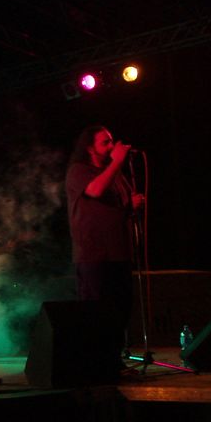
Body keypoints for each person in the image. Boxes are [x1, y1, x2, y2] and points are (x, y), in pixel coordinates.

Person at [64, 126, 145, 368]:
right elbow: (95, 190)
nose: (112, 145)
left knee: (121, 309)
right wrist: (117, 161)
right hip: (93, 254)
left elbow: (118, 206)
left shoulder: (115, 174)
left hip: (120, 252)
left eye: (111, 141)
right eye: (105, 142)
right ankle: (93, 362)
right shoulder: (78, 171)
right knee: (95, 310)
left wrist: (131, 204)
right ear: (90, 147)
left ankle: (112, 360)